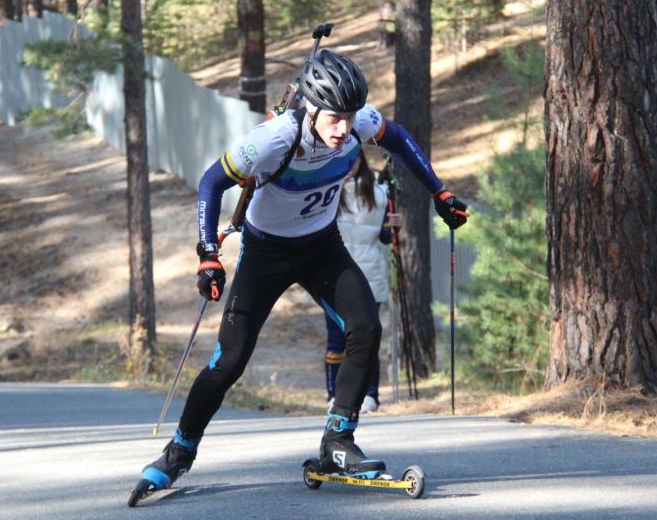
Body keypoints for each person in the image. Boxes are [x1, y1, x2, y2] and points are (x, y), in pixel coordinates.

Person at [137, 49, 468, 492]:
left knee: (366, 326)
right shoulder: (274, 138)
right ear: (310, 107)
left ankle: (338, 438)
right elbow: (212, 182)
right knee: (229, 360)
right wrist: (209, 254)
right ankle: (179, 451)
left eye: (350, 117)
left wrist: (438, 191)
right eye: (334, 118)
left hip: (321, 247)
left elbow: (399, 137)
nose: (344, 129)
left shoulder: (357, 124)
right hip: (265, 254)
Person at [324, 151, 393, 413]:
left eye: (354, 161)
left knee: (367, 339)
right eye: (344, 161)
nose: (350, 166)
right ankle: (334, 395)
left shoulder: (378, 194)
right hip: (335, 277)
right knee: (336, 342)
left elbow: (384, 237)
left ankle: (370, 395)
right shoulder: (327, 192)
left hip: (369, 275)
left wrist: (392, 227)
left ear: (362, 162)